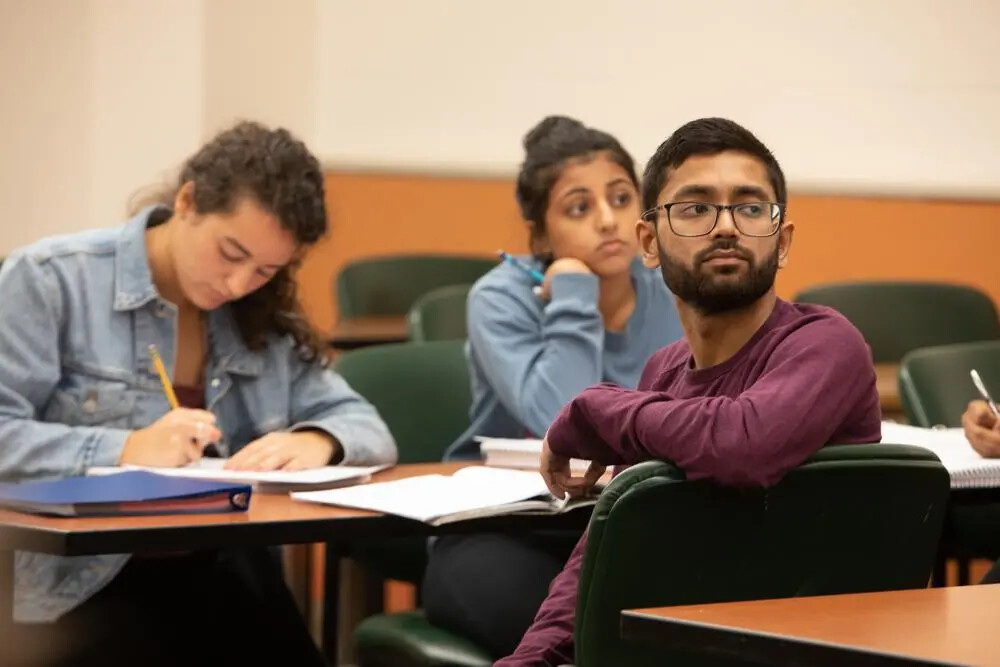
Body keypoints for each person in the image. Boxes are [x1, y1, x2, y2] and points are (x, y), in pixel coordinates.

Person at [0, 120, 396, 666]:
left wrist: (317, 439)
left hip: (220, 572)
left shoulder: (256, 316)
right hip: (81, 586)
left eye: (265, 269)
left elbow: (365, 423)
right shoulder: (51, 281)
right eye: (230, 252)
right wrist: (124, 450)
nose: (238, 284)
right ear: (188, 200)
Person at [497, 117, 882, 666]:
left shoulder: (824, 343)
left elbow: (742, 446)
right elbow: (602, 556)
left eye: (751, 208)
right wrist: (528, 659)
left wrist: (594, 407)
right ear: (649, 242)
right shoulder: (664, 372)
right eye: (696, 208)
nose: (726, 227)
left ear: (782, 239)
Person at [421, 116, 684, 658]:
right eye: (579, 207)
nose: (609, 221)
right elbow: (562, 421)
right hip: (508, 525)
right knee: (569, 630)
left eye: (620, 197)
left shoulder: (673, 291)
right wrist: (572, 295)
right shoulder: (499, 299)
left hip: (627, 519)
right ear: (539, 234)